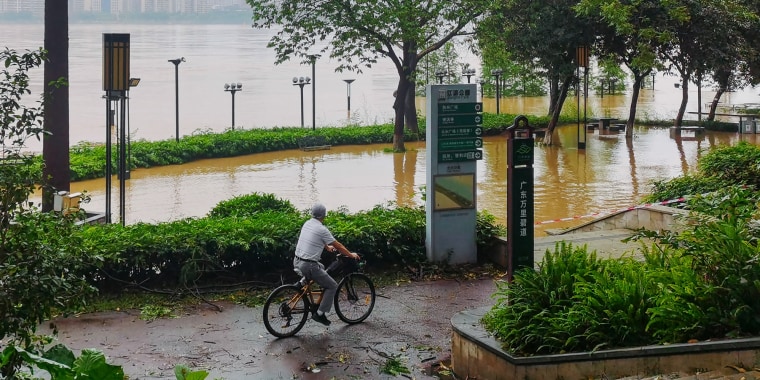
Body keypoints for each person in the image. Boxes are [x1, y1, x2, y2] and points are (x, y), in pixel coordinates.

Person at [294, 202, 360, 326]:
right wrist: (351, 255)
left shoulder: (307, 223)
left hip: (297, 261)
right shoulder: (321, 229)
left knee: (322, 268)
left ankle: (300, 283)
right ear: (324, 215)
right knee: (332, 286)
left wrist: (326, 247)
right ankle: (319, 314)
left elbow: (315, 238)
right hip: (309, 266)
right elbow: (338, 245)